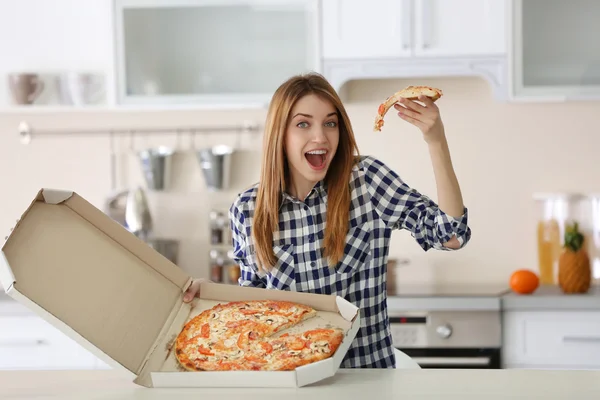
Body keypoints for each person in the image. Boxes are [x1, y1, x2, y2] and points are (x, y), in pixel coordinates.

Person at [184, 72, 471, 369]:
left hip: (367, 385)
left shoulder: (367, 182)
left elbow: (451, 235)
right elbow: (252, 307)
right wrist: (211, 294)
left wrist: (436, 141)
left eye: (330, 123)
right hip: (290, 386)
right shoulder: (247, 208)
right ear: (279, 134)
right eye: (303, 124)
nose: (320, 137)